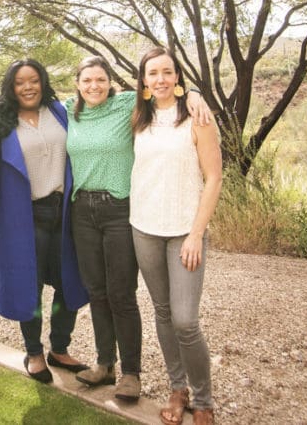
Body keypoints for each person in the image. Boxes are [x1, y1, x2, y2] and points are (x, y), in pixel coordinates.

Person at [67, 55, 212, 402]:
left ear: (111, 82)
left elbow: (163, 91)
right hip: (82, 211)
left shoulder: (126, 107)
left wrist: (193, 93)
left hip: (120, 209)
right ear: (77, 84)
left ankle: (131, 372)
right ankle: (105, 364)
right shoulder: (68, 112)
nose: (93, 86)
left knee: (121, 293)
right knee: (96, 291)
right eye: (86, 80)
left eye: (100, 79)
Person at [130, 47, 222, 425]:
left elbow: (214, 177)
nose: (161, 79)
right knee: (164, 312)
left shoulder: (197, 118)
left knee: (186, 320)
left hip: (184, 231)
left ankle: (204, 401)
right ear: (145, 81)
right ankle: (177, 387)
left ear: (178, 77)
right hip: (144, 228)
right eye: (153, 73)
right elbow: (90, 96)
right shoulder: (138, 116)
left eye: (167, 72)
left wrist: (196, 234)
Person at [0, 58, 90, 383]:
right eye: (20, 82)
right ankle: (34, 352)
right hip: (24, 216)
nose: (28, 87)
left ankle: (59, 348)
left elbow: (107, 102)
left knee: (69, 282)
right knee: (28, 287)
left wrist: (191, 95)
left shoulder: (60, 111)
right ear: (10, 87)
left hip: (63, 212)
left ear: (43, 82)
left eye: (33, 80)